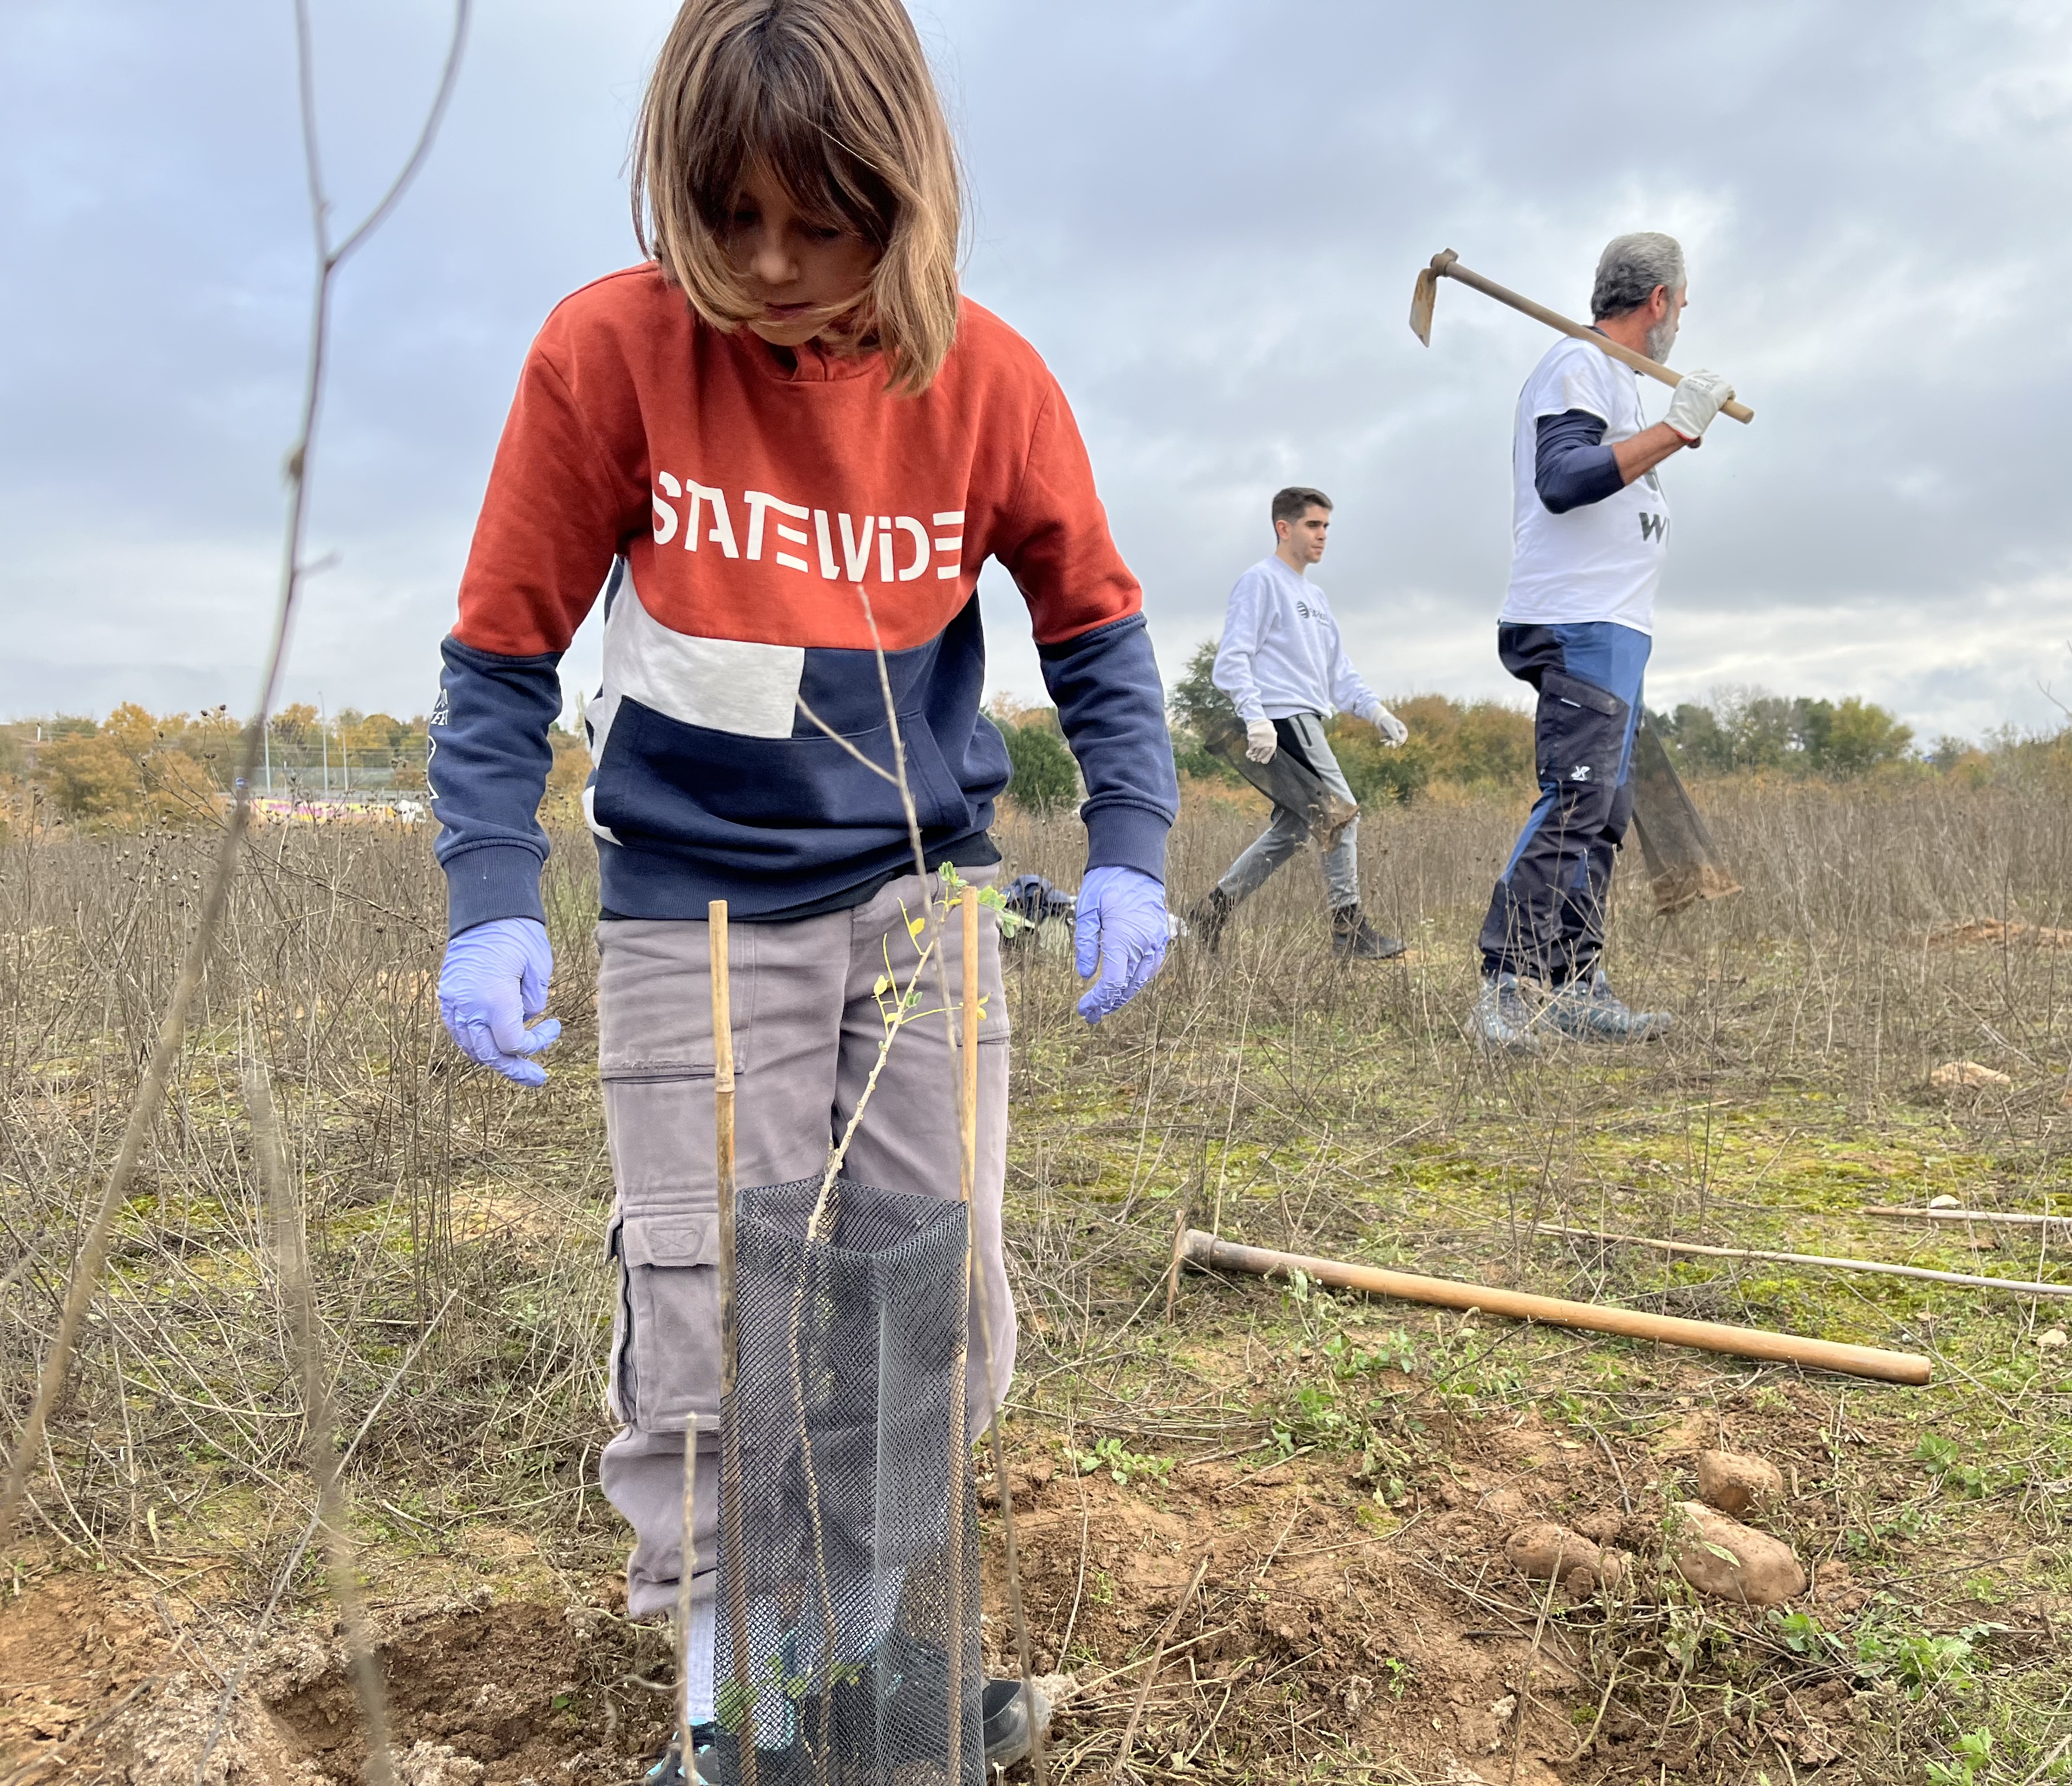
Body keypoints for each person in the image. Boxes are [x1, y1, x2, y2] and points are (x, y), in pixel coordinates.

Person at [424, 2, 1177, 1777]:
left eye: (820, 223)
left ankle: (854, 1677)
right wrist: (489, 892)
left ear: (903, 200)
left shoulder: (987, 381)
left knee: (932, 1291)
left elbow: (1098, 630)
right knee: (713, 1306)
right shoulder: (606, 357)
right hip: (696, 901)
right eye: (729, 217)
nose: (770, 265)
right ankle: (731, 1727)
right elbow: (501, 653)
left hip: (927, 908)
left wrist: (1132, 846)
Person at [1468, 232, 1734, 1050]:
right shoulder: (1576, 367)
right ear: (1658, 301)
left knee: (1606, 812)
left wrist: (1661, 425)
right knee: (1578, 798)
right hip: (1576, 619)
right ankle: (1508, 986)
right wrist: (1675, 432)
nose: (1681, 323)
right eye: (1682, 307)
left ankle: (1575, 982)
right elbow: (1564, 481)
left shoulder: (1616, 378)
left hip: (1618, 627)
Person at [1188, 487, 1408, 959]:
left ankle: (1210, 913)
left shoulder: (1317, 598)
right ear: (1283, 528)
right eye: (1313, 525)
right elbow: (1231, 660)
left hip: (1309, 716)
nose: (1323, 535)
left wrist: (1376, 711)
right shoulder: (1260, 582)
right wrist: (1256, 716)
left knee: (1293, 830)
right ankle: (1349, 931)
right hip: (1283, 719)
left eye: (1327, 526)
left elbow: (1338, 672)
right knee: (1341, 813)